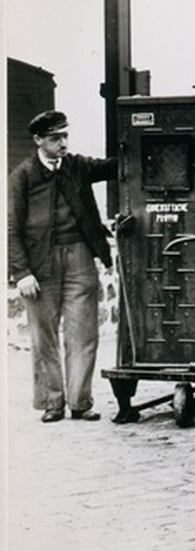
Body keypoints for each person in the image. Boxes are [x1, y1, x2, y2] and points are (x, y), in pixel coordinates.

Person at [8, 110, 118, 423]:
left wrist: (139, 139)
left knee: (83, 332)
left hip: (80, 257)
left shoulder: (77, 165)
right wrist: (22, 273)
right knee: (44, 335)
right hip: (39, 264)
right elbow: (11, 227)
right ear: (39, 140)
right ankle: (52, 403)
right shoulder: (22, 175)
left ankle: (81, 402)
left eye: (65, 136)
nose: (63, 143)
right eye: (55, 138)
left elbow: (113, 166)